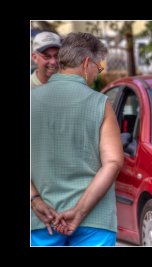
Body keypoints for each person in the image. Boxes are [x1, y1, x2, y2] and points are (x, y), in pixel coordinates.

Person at [31, 32, 124, 246]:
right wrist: (79, 212)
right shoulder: (100, 103)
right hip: (95, 221)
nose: (96, 74)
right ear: (85, 63)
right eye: (97, 67)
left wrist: (35, 200)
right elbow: (113, 162)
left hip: (39, 221)